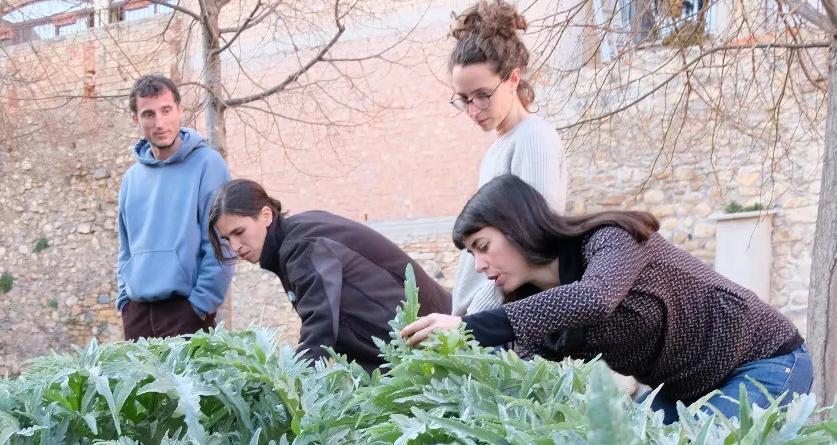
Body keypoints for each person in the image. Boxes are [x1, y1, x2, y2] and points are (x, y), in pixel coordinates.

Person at [401, 176, 813, 422]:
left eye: (482, 245)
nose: (478, 264)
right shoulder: (538, 309)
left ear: (517, 226)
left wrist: (468, 327)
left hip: (765, 361)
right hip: (683, 390)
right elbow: (517, 374)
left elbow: (595, 298)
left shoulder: (610, 240)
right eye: (471, 254)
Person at [209, 179, 451, 371]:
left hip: (436, 341)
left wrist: (293, 387)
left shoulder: (302, 246)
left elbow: (320, 324)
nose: (235, 246)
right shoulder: (295, 239)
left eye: (239, 232)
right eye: (227, 239)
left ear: (265, 215)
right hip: (411, 346)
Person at [447, 1, 568, 319]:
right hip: (480, 320)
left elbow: (534, 245)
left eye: (483, 95)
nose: (474, 110)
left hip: (506, 325)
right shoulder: (497, 149)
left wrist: (476, 324)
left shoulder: (534, 138)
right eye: (464, 99)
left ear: (514, 79)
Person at [116, 75, 232, 340]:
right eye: (148, 114)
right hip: (138, 317)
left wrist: (201, 306)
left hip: (187, 312)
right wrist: (125, 303)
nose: (159, 123)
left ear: (180, 110)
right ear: (136, 119)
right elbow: (125, 250)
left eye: (166, 110)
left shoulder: (208, 165)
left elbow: (221, 243)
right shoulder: (131, 179)